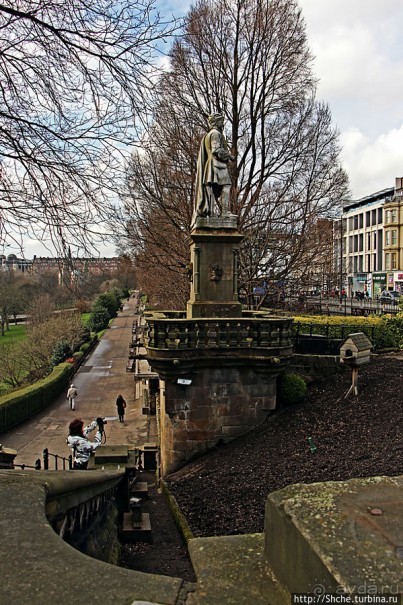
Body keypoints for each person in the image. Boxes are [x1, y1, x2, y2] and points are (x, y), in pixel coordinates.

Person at [193, 113, 235, 222]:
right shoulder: (216, 134)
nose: (222, 123)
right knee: (226, 186)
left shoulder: (207, 135)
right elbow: (216, 150)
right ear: (216, 122)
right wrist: (229, 156)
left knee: (211, 189)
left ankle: (211, 213)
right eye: (221, 121)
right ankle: (225, 213)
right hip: (217, 165)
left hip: (211, 165)